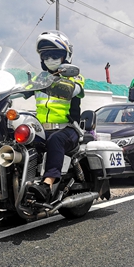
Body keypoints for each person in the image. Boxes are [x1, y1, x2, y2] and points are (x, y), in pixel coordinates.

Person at [28, 30, 85, 204]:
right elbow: (21, 90)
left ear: (65, 57)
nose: (50, 59)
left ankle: (47, 184)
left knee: (56, 140)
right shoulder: (39, 78)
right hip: (41, 130)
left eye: (54, 55)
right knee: (17, 142)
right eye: (46, 56)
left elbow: (72, 90)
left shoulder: (75, 77)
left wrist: (48, 83)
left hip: (68, 129)